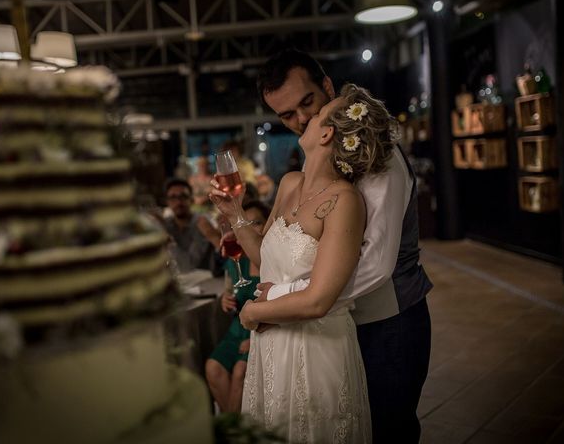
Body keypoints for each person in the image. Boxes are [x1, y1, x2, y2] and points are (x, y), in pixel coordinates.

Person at [255, 49, 432, 443]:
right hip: (334, 327)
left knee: (389, 431)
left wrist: (286, 298)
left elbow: (375, 265)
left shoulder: (379, 157)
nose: (301, 118)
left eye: (306, 102)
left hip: (389, 323)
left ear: (328, 87)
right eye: (287, 115)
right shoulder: (314, 167)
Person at [210, 84, 404, 442]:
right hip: (272, 346)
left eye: (316, 115)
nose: (306, 120)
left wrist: (254, 313)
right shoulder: (289, 184)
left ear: (327, 133)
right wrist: (234, 213)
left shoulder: (345, 201)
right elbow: (263, 256)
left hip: (315, 348)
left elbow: (319, 300)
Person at [205, 201, 271, 413]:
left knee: (240, 372)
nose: (251, 228)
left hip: (262, 328)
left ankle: (234, 431)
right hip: (237, 328)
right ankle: (235, 424)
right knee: (212, 368)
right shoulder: (237, 260)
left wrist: (252, 341)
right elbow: (230, 291)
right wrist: (226, 298)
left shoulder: (272, 261)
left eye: (257, 222)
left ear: (269, 224)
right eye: (245, 223)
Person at [163, 178, 221, 274]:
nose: (178, 202)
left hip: (207, 282)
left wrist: (168, 242)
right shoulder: (167, 224)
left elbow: (188, 266)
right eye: (173, 198)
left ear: (191, 199)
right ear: (167, 202)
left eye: (183, 197)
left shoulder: (201, 223)